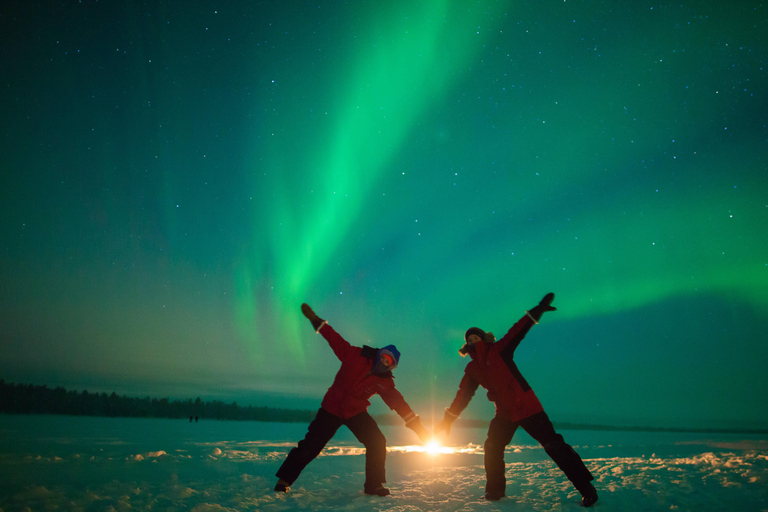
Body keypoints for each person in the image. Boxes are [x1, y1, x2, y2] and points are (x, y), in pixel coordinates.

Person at [435, 293, 598, 507]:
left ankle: (586, 488)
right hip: (504, 413)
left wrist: (537, 310)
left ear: (483, 339)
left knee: (554, 446)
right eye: (469, 340)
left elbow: (517, 330)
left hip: (527, 407)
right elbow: (462, 395)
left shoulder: (499, 349)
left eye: (476, 338)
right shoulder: (472, 368)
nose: (472, 342)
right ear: (466, 345)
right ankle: (494, 491)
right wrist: (448, 420)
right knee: (492, 446)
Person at [274, 303, 430, 496]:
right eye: (384, 357)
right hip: (331, 408)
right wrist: (315, 319)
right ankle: (283, 481)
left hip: (356, 411)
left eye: (389, 362)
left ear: (391, 367)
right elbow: (334, 339)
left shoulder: (385, 382)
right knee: (310, 446)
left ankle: (374, 485)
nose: (384, 362)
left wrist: (419, 428)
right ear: (379, 353)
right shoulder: (355, 355)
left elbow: (399, 404)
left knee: (377, 441)